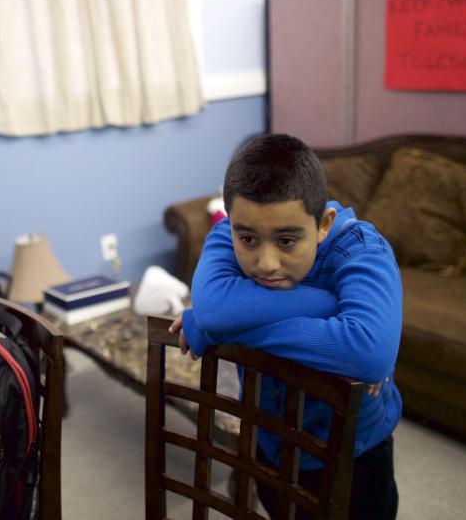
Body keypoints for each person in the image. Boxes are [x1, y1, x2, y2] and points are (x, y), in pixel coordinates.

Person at [170, 133, 402, 520]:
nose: (266, 263)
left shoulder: (362, 247)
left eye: (287, 240)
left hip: (353, 456)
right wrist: (328, 307)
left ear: (324, 224)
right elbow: (213, 313)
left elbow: (369, 353)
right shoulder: (228, 235)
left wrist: (226, 326)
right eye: (248, 238)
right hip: (270, 442)